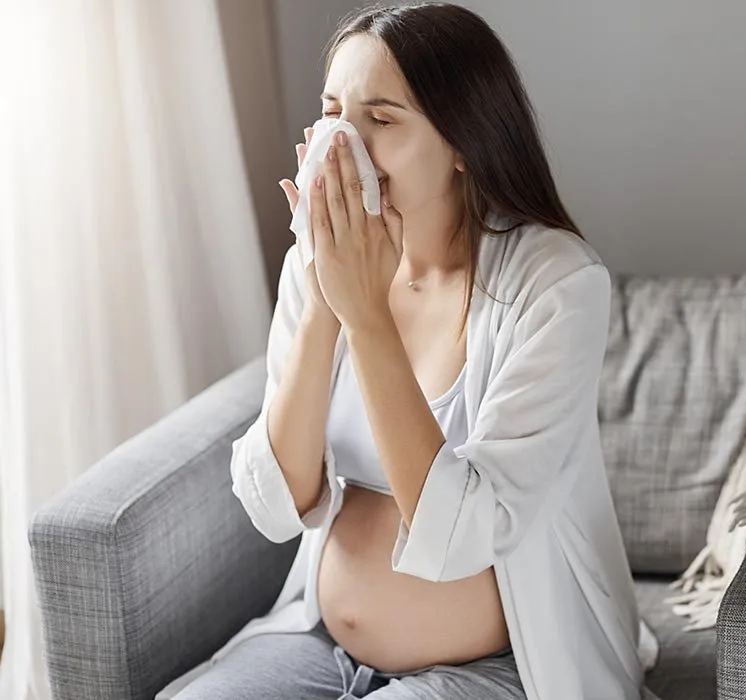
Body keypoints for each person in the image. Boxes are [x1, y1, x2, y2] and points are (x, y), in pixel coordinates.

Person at [169, 3, 645, 699]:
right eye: (332, 112)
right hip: (322, 643)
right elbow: (273, 505)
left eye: (381, 120)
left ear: (462, 143)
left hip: (505, 664)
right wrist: (329, 298)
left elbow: (463, 534)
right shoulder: (320, 263)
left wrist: (367, 319)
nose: (343, 145)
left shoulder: (558, 285)